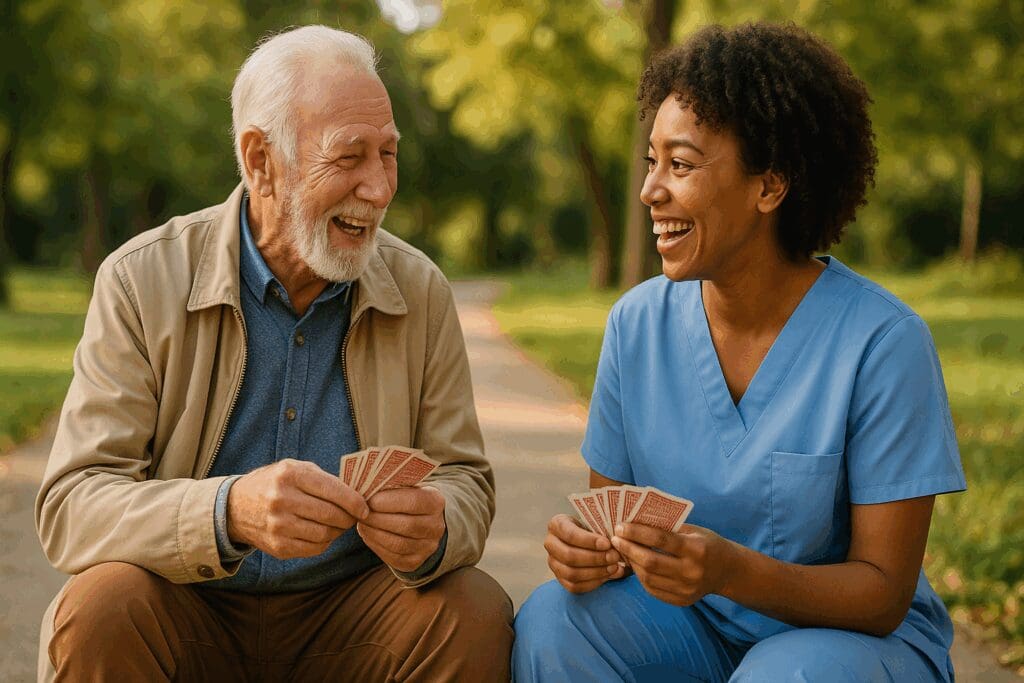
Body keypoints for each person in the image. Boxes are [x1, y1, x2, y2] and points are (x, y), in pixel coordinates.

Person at [35, 25, 512, 682]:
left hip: (353, 618)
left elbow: (466, 480)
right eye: (349, 158)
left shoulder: (419, 288)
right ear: (260, 160)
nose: (378, 188)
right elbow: (73, 504)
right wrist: (226, 511)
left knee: (473, 608)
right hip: (188, 605)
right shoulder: (141, 279)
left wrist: (437, 525)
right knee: (100, 606)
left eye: (388, 154)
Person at [513, 22, 966, 682]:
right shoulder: (635, 326)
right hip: (688, 627)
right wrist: (587, 552)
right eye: (651, 161)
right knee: (555, 619)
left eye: (682, 164)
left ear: (770, 186)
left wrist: (731, 570)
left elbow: (882, 591)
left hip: (848, 644)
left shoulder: (883, 343)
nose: (651, 191)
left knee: (783, 675)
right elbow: (616, 538)